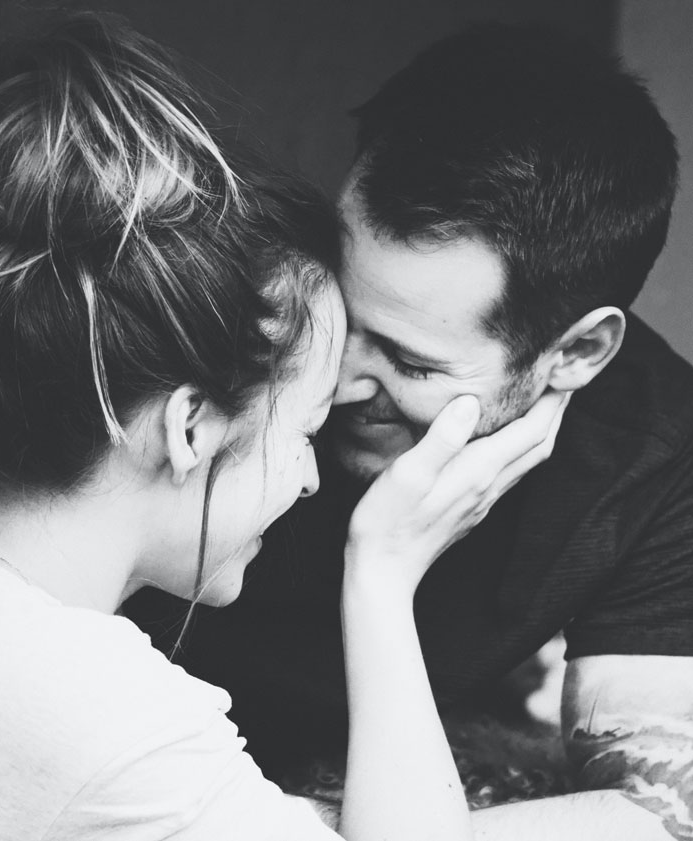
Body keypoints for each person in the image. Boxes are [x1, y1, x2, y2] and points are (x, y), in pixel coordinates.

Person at [0, 12, 569, 840]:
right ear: (191, 427)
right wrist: (383, 573)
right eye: (301, 432)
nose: (309, 476)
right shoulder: (115, 727)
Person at [131, 23, 693, 841]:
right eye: (342, 309)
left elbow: (661, 807)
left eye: (409, 361)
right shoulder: (206, 297)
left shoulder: (654, 448)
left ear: (576, 352)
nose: (334, 381)